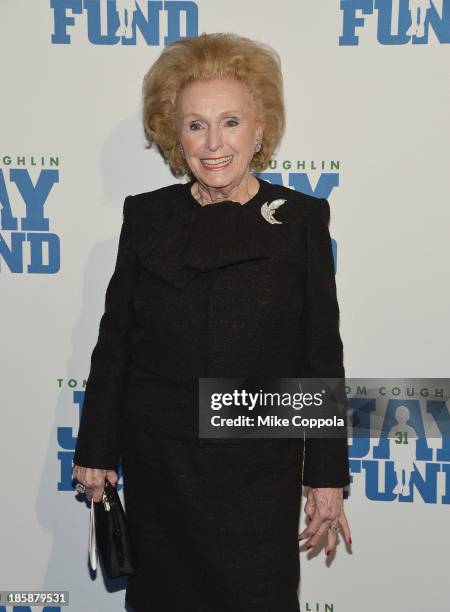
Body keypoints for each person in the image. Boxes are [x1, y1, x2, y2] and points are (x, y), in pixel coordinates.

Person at [72, 32, 352, 612]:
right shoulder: (147, 218)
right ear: (175, 134)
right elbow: (114, 346)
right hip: (161, 471)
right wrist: (96, 450)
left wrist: (327, 478)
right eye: (196, 124)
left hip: (256, 474)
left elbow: (320, 358)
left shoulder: (300, 220)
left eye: (230, 121)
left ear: (260, 129)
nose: (214, 142)